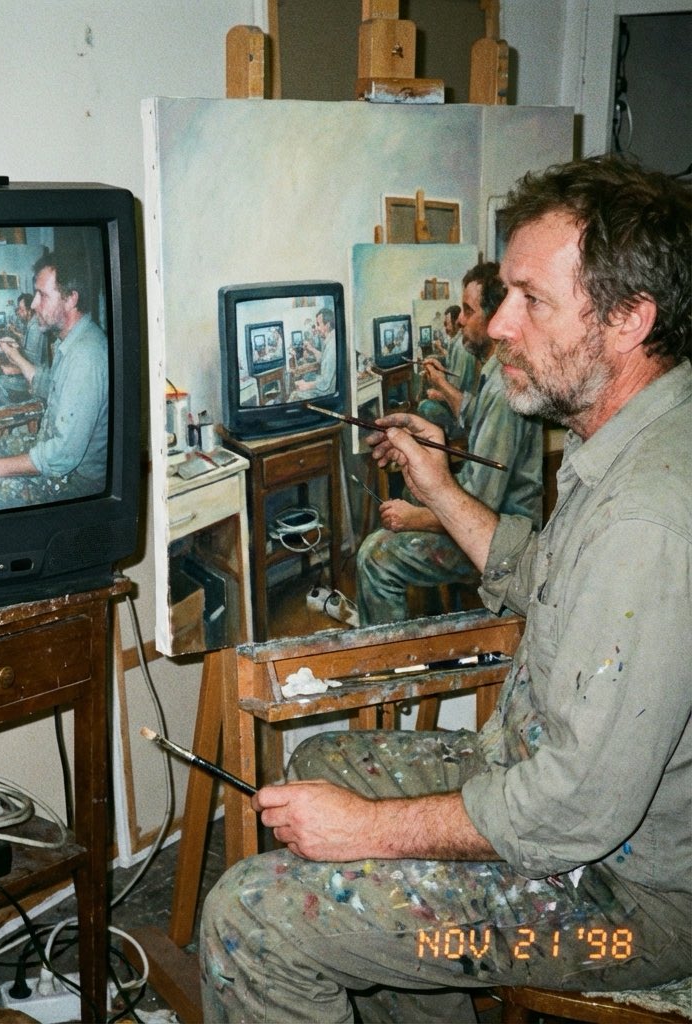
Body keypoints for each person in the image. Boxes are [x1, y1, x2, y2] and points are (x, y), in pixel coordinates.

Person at [200, 155, 692, 1023]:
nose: (500, 323)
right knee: (323, 758)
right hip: (561, 804)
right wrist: (438, 487)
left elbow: (576, 809)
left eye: (531, 299)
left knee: (252, 917)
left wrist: (369, 833)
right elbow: (545, 579)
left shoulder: (648, 516)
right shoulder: (623, 435)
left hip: (627, 911)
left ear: (628, 321)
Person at [354, 261, 543, 626]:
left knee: (374, 557)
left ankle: (393, 673)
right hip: (490, 516)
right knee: (410, 499)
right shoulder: (493, 372)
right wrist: (430, 429)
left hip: (502, 540)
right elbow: (474, 417)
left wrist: (415, 518)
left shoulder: (505, 391)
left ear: (494, 317)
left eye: (469, 311)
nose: (459, 320)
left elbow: (481, 503)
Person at [0, 253, 108, 512]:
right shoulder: (72, 341)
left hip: (73, 483)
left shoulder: (86, 356)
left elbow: (63, 456)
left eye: (42, 295)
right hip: (52, 448)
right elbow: (47, 384)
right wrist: (15, 356)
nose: (33, 304)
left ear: (70, 299)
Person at [416, 303, 478, 437]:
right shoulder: (456, 342)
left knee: (424, 406)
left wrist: (440, 395)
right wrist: (438, 362)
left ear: (457, 322)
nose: (445, 328)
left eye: (447, 324)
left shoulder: (462, 349)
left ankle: (447, 436)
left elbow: (459, 393)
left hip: (459, 415)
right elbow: (452, 369)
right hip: (455, 398)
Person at [0, 293, 49, 405]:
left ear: (30, 310)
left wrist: (13, 368)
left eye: (22, 310)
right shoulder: (32, 324)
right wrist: (13, 343)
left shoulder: (35, 328)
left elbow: (32, 363)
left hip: (36, 379)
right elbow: (28, 349)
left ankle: (16, 413)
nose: (19, 313)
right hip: (34, 371)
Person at [293, 307, 338, 398]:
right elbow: (324, 358)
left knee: (295, 395)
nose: (316, 328)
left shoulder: (332, 344)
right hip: (325, 384)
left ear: (327, 325)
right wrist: (312, 349)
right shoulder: (330, 339)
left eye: (318, 324)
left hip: (328, 391)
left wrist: (307, 385)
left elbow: (325, 382)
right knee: (306, 378)